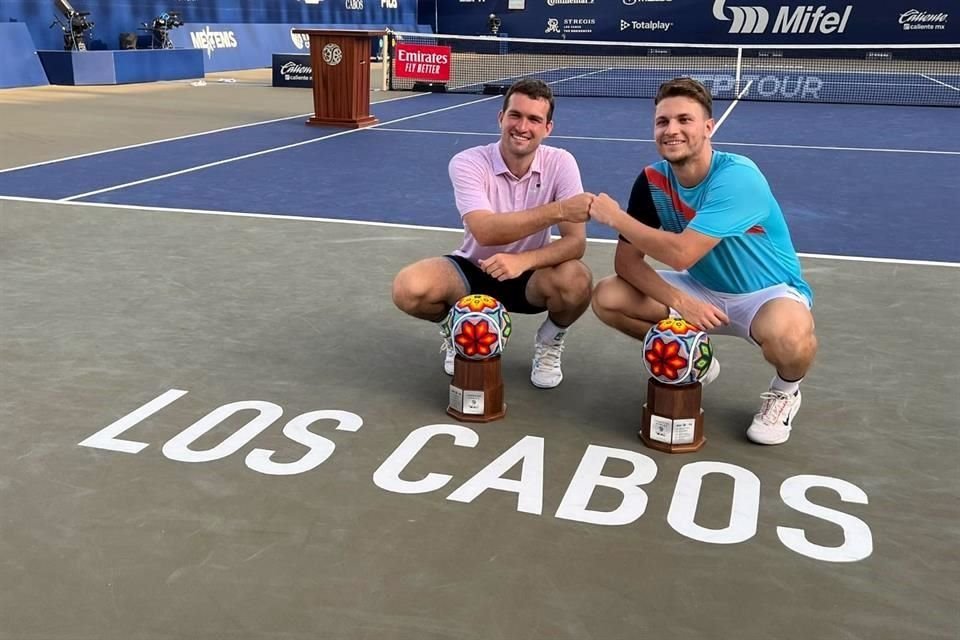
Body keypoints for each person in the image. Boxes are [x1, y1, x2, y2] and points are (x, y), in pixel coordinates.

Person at [589, 77, 817, 445]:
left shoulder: (738, 178)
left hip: (766, 295)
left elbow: (682, 252)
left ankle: (785, 392)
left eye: (684, 120)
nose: (671, 130)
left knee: (789, 339)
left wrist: (615, 217)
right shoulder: (651, 180)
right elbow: (627, 264)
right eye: (663, 122)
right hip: (700, 290)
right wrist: (681, 301)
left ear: (709, 127)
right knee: (608, 296)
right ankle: (700, 360)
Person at [392, 78, 594, 388]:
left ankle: (550, 340)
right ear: (501, 118)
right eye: (515, 115)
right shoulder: (468, 161)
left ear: (547, 128)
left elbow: (575, 243)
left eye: (534, 119)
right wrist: (560, 210)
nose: (522, 126)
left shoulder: (562, 162)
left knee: (577, 280)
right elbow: (484, 231)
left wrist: (523, 261)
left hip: (531, 277)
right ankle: (457, 328)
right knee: (409, 288)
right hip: (473, 271)